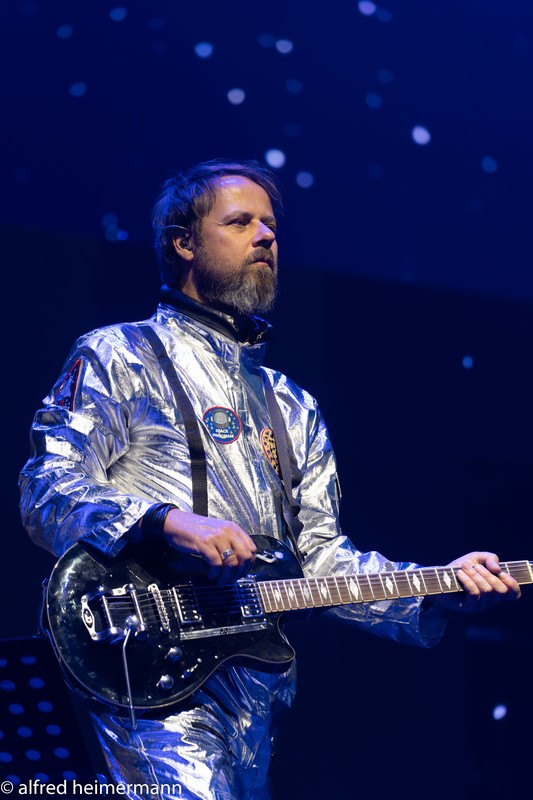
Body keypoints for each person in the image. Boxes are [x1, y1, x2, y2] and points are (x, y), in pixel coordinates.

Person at [19, 159, 521, 800]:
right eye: (240, 222)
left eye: (270, 226)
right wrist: (166, 521)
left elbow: (323, 564)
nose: (265, 237)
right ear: (184, 242)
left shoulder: (292, 405)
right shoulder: (120, 354)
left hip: (256, 693)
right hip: (142, 662)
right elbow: (46, 487)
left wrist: (439, 589)